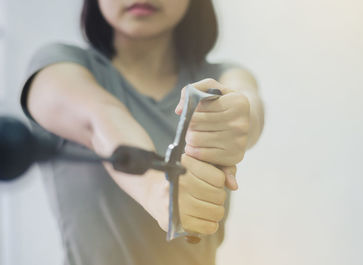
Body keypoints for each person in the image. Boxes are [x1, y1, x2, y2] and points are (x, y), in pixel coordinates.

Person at [20, 0, 264, 264]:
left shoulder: (225, 77)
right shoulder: (58, 65)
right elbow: (99, 119)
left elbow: (248, 110)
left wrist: (236, 120)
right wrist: (158, 189)